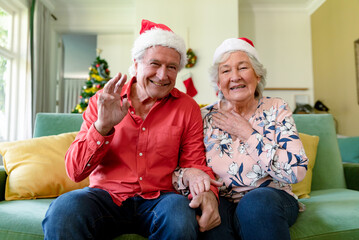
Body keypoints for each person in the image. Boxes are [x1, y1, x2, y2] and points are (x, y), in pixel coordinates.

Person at [42, 19, 221, 240]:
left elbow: (194, 163)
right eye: (155, 64)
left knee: (179, 215)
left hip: (161, 199)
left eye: (172, 67)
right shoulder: (104, 101)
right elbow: (75, 171)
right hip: (106, 197)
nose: (163, 75)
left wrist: (209, 193)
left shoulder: (187, 107)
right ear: (136, 64)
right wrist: (103, 126)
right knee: (64, 211)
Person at [173, 37, 308, 240]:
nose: (235, 77)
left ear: (258, 75)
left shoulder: (276, 108)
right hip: (222, 200)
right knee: (213, 222)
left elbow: (297, 170)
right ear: (218, 82)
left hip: (271, 198)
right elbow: (179, 171)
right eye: (226, 71)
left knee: (256, 204)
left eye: (243, 68)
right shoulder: (203, 117)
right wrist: (195, 181)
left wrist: (248, 134)